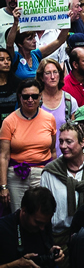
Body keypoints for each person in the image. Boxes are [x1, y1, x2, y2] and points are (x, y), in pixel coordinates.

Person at [40, 121, 84, 255]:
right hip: (59, 239)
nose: (63, 146)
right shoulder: (50, 172)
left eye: (69, 141)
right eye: (61, 141)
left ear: (82, 142)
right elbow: (43, 209)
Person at [0, 79, 57, 212]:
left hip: (43, 172)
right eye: (26, 96)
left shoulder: (49, 119)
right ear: (20, 97)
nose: (30, 100)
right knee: (20, 214)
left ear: (40, 96)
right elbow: (3, 156)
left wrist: (55, 176)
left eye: (34, 96)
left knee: (43, 211)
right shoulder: (9, 121)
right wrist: (3, 186)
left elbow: (52, 150)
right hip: (17, 175)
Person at [0, 187, 65, 268]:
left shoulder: (44, 223)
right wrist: (14, 265)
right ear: (24, 211)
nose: (42, 228)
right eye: (38, 222)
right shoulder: (3, 229)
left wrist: (52, 253)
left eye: (45, 223)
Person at [6, 7, 69, 80]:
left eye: (34, 37)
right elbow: (9, 45)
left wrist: (67, 21)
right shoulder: (15, 57)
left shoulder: (36, 54)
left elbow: (59, 41)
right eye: (30, 39)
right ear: (20, 44)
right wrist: (16, 22)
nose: (34, 41)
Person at [37, 58, 78, 157]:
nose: (52, 77)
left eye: (55, 72)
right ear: (42, 77)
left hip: (64, 156)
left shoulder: (69, 101)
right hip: (40, 157)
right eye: (48, 73)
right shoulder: (35, 101)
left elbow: (75, 131)